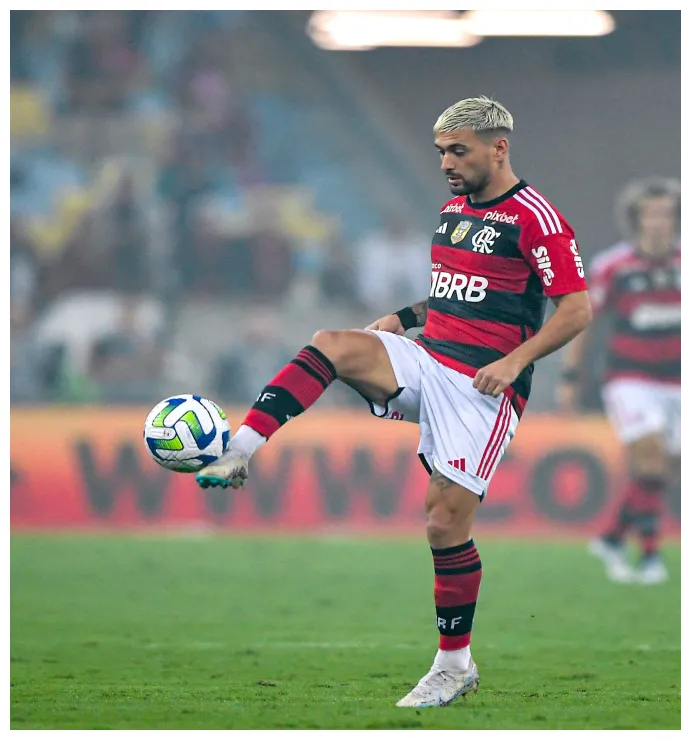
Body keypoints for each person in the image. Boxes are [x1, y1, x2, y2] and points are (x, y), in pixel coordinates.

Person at [195, 96, 592, 709]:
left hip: (485, 387)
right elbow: (456, 296)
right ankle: (239, 449)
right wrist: (403, 318)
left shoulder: (537, 217)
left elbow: (576, 308)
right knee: (334, 344)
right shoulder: (455, 210)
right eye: (440, 152)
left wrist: (516, 361)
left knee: (443, 521)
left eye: (458, 151)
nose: (446, 164)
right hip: (430, 357)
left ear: (499, 147)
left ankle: (454, 664)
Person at [559, 177, 681, 584]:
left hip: (675, 381)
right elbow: (585, 323)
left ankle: (611, 536)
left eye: (666, 213)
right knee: (649, 454)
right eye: (651, 213)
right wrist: (571, 375)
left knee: (666, 467)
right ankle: (649, 557)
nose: (659, 222)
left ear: (678, 218)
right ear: (636, 219)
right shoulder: (614, 266)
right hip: (627, 377)